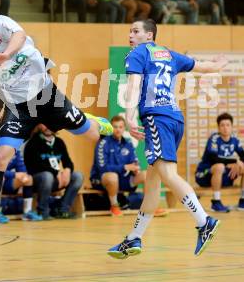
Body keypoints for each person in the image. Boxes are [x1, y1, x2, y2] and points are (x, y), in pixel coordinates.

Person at [0, 0, 113, 244]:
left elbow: (20, 35)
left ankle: (87, 118)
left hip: (47, 97)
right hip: (19, 107)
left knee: (92, 134)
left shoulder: (0, 23)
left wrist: (5, 54)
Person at [107, 19, 227, 259]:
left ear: (149, 35)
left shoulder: (137, 53)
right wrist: (216, 66)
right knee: (153, 181)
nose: (130, 34)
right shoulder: (169, 54)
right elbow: (199, 66)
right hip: (175, 119)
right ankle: (133, 238)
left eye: (136, 31)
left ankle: (204, 222)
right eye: (130, 31)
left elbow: (133, 85)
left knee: (169, 175)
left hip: (156, 119)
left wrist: (129, 117)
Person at [90, 115, 168, 216]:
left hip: (124, 180)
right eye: (115, 127)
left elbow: (134, 161)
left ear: (124, 129)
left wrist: (136, 168)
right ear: (111, 128)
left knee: (146, 174)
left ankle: (150, 208)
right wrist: (124, 167)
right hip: (103, 180)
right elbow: (102, 168)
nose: (118, 129)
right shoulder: (103, 143)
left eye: (120, 127)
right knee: (112, 177)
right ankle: (114, 206)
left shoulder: (128, 143)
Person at [24, 124, 84, 219]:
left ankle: (62, 209)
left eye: (51, 123)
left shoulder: (59, 142)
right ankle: (43, 211)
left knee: (78, 176)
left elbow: (67, 161)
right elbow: (36, 165)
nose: (48, 126)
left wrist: (67, 170)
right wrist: (56, 173)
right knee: (47, 176)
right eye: (45, 123)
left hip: (56, 179)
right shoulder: (32, 143)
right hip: (38, 180)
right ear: (39, 125)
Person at [195, 113, 244, 212]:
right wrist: (235, 161)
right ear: (218, 127)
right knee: (219, 166)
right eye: (222, 125)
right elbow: (215, 159)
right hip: (204, 175)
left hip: (224, 177)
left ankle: (242, 201)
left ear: (231, 127)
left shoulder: (235, 140)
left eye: (228, 125)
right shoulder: (214, 139)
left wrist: (239, 163)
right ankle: (216, 202)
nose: (225, 128)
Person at [0, 142, 42, 222]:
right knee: (0, 178)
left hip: (8, 182)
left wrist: (23, 175)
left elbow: (21, 167)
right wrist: (13, 174)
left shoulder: (15, 149)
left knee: (29, 178)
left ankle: (27, 212)